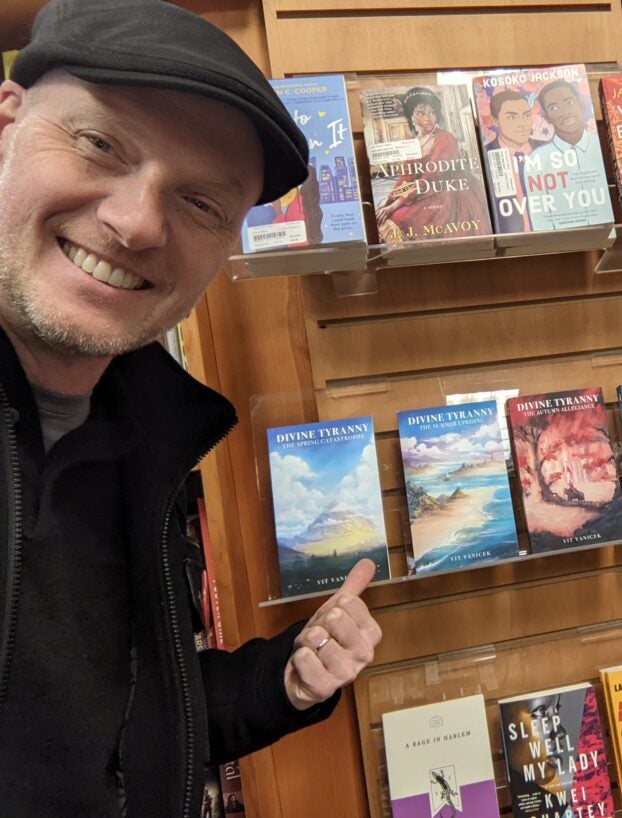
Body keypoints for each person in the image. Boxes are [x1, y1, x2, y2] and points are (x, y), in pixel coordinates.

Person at [0, 1, 383, 816]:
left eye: (202, 204)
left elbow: (112, 721)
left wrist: (279, 680)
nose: (136, 223)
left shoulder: (141, 437)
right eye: (100, 144)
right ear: (6, 122)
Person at [374, 86, 489, 242]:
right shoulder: (413, 141)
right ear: (412, 116)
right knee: (383, 215)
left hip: (447, 190)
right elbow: (407, 176)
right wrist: (388, 201)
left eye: (432, 112)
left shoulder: (445, 138)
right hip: (423, 187)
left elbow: (431, 177)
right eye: (421, 113)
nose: (428, 118)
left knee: (400, 218)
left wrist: (395, 206)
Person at [526, 79, 614, 231]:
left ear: (581, 105)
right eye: (554, 107)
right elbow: (541, 225)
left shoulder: (602, 147)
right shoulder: (536, 160)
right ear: (546, 117)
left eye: (569, 102)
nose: (564, 112)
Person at [482, 89, 546, 233]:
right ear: (495, 120)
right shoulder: (484, 156)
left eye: (526, 115)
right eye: (512, 117)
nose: (522, 124)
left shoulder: (548, 149)